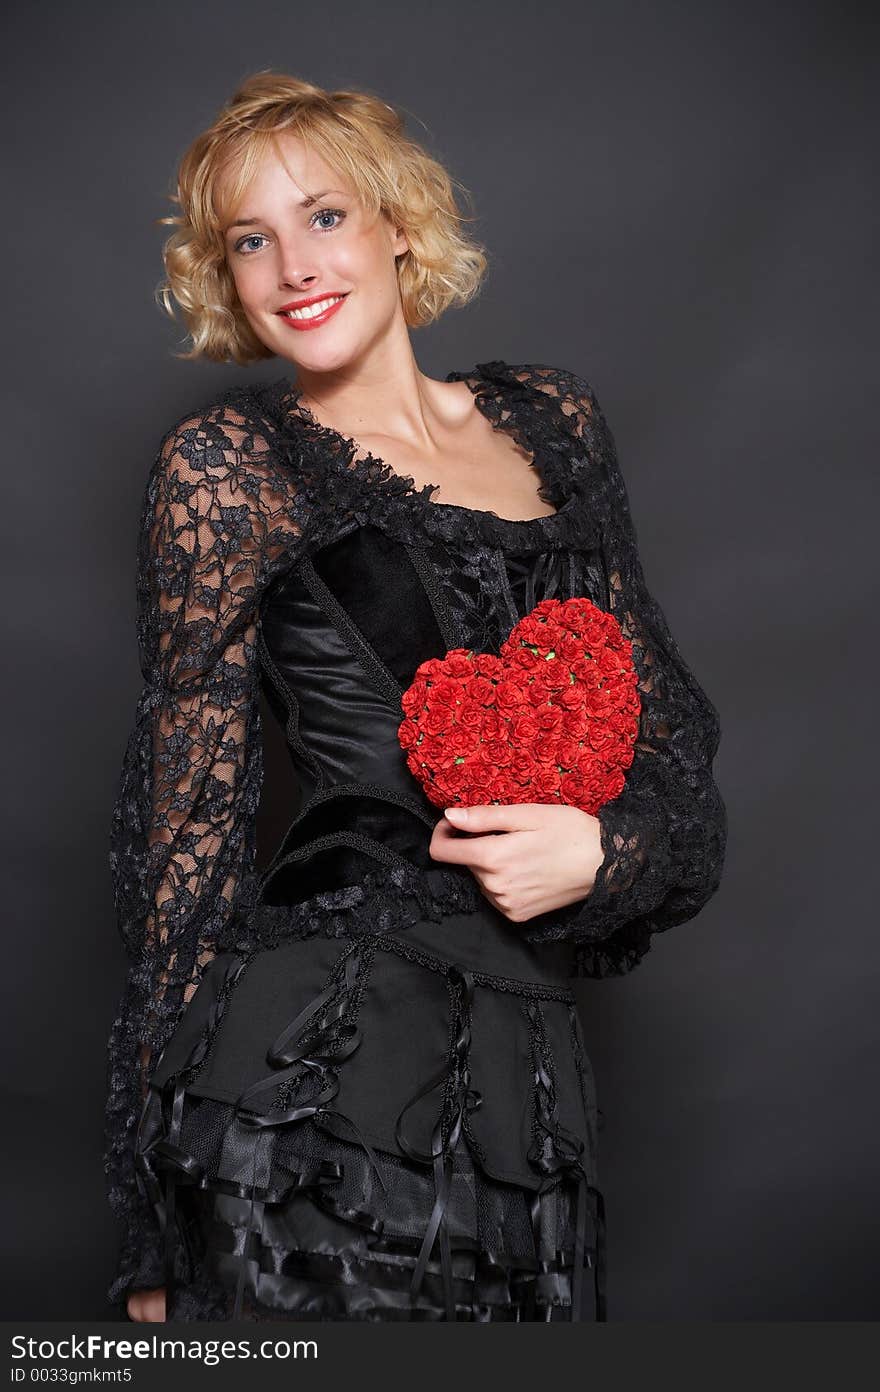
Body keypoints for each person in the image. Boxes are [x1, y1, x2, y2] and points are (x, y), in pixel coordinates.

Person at [103, 71, 727, 1324]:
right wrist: (153, 1231)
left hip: (529, 1075)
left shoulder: (552, 421)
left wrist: (602, 852)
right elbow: (183, 853)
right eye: (249, 240)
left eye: (324, 216)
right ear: (225, 275)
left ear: (397, 224)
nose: (292, 265)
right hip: (311, 1064)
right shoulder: (228, 468)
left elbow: (676, 769)